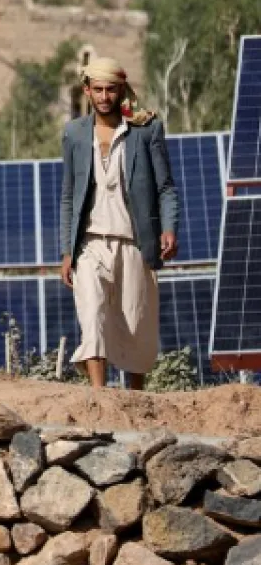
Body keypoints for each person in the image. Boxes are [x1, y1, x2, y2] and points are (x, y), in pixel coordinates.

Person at [59, 56, 180, 390]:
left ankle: (133, 400)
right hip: (90, 244)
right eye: (97, 89)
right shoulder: (74, 134)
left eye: (110, 89)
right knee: (92, 313)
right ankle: (99, 396)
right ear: (87, 90)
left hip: (134, 243)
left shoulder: (146, 130)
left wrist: (169, 227)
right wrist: (67, 251)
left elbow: (165, 187)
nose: (104, 96)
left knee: (134, 324)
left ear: (121, 90)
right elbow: (69, 195)